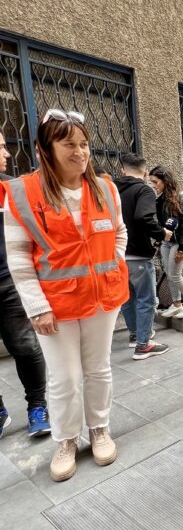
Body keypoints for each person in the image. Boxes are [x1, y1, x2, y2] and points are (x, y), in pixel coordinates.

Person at [3, 109, 128, 481]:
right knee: (65, 377)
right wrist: (36, 306)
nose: (80, 152)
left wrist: (109, 264)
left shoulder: (106, 188)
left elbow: (119, 234)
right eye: (68, 143)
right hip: (54, 306)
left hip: (102, 299)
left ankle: (99, 430)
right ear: (46, 148)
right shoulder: (23, 193)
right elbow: (19, 257)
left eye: (84, 144)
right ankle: (67, 439)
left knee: (99, 369)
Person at [0, 132, 51, 439]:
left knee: (25, 347)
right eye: (1, 147)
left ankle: (37, 406)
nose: (7, 154)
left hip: (7, 282)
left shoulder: (10, 189)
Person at [115, 153, 169, 359]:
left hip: (117, 254)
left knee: (127, 299)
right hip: (138, 254)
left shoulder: (112, 189)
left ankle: (135, 335)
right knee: (146, 300)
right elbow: (144, 216)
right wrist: (162, 233)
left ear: (122, 170)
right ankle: (143, 345)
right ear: (145, 172)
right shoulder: (143, 189)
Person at [149, 165, 183, 319]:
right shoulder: (161, 201)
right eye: (151, 182)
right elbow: (163, 224)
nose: (153, 185)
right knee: (169, 273)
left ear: (165, 181)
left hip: (179, 243)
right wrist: (159, 242)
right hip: (167, 242)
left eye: (156, 182)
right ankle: (176, 304)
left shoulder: (181, 200)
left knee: (175, 275)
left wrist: (181, 249)